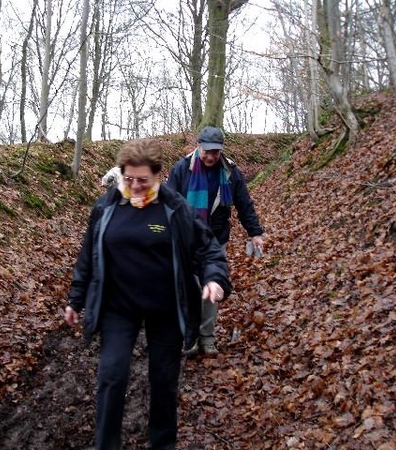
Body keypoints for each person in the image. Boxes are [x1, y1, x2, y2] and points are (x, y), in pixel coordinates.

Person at [64, 138, 231, 450]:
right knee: (111, 377)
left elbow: (208, 247)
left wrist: (213, 277)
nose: (136, 186)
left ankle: (162, 444)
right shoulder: (106, 206)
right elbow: (88, 254)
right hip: (118, 307)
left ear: (158, 175)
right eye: (129, 178)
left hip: (165, 307)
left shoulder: (175, 208)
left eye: (143, 179)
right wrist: (76, 298)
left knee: (163, 381)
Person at [166, 126, 264, 357]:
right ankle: (188, 338)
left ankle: (207, 337)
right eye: (206, 151)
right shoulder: (182, 169)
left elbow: (244, 203)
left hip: (215, 239)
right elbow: (168, 204)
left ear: (221, 151)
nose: (210, 156)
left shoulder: (230, 172)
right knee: (190, 289)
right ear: (198, 146)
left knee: (212, 288)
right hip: (186, 240)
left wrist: (255, 232)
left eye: (215, 152)